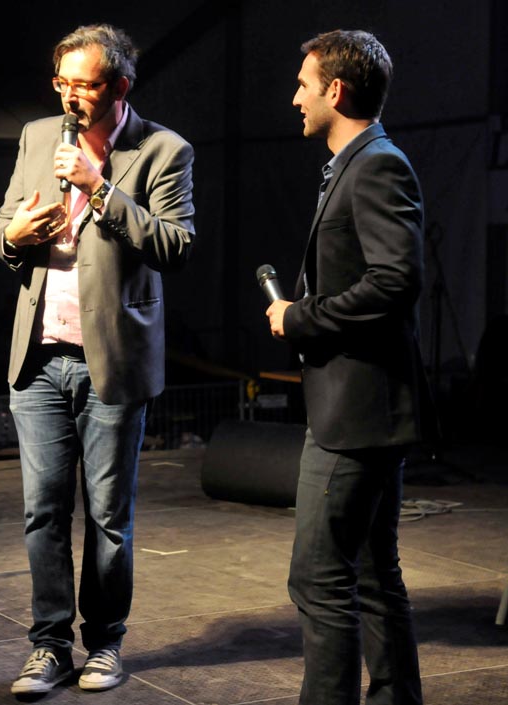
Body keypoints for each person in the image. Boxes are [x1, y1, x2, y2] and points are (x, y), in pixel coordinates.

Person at [0, 23, 194, 697]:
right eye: (62, 83)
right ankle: (48, 646)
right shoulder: (36, 136)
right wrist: (14, 235)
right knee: (43, 512)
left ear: (120, 85)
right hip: (39, 358)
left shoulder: (163, 149)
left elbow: (175, 245)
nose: (69, 96)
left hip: (113, 361)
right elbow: (1, 227)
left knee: (108, 516)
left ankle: (105, 642)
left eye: (85, 84)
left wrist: (101, 189)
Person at [265, 30, 437, 705]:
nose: (295, 98)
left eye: (303, 85)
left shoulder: (377, 166)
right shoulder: (356, 164)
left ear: (335, 91)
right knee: (371, 571)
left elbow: (396, 280)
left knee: (318, 577)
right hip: (364, 407)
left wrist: (301, 317)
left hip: (356, 415)